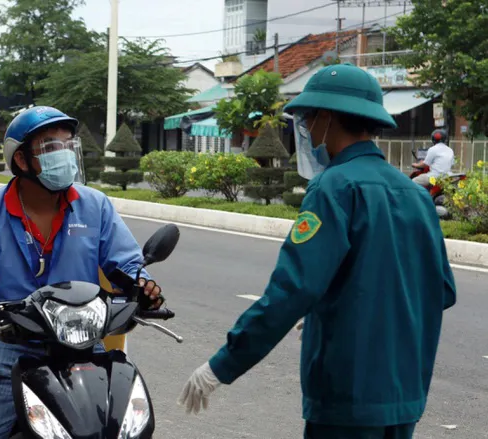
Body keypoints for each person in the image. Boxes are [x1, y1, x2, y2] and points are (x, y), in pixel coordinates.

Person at [177, 64, 457, 439]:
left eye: (307, 119)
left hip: (347, 397)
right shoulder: (416, 195)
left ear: (326, 117)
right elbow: (441, 290)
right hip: (405, 397)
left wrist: (222, 365)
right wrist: (346, 306)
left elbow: (293, 290)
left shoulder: (333, 187)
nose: (306, 130)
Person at [0, 106, 164, 439]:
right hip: (10, 345)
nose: (64, 154)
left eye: (67, 145)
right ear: (21, 160)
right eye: (49, 147)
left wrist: (141, 287)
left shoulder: (95, 206)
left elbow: (126, 263)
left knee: (121, 424)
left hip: (83, 343)